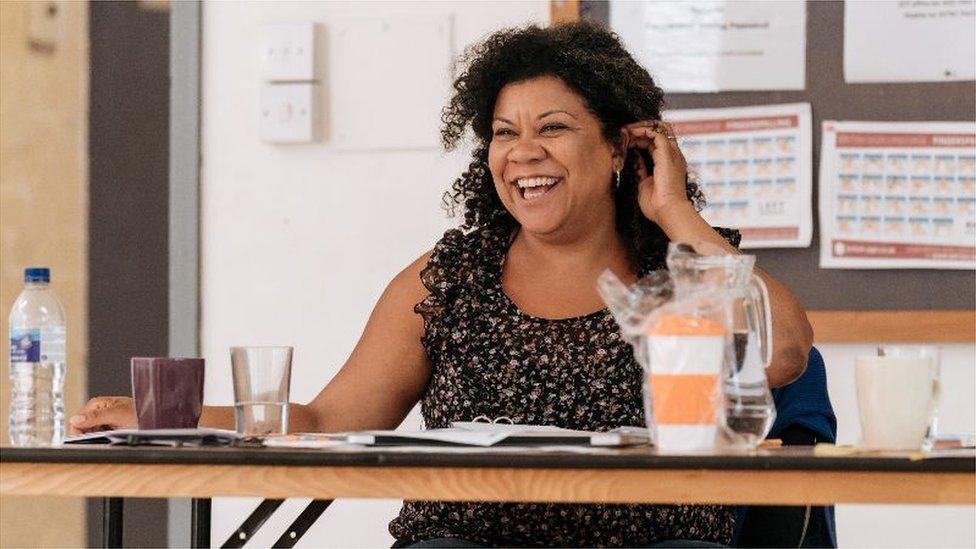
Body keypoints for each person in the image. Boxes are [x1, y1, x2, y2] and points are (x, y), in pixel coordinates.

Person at [70, 22, 812, 548]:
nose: (523, 153)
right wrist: (158, 415)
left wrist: (677, 212)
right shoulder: (449, 277)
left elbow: (785, 357)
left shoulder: (689, 263)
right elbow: (327, 419)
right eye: (503, 131)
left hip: (660, 543)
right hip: (462, 542)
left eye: (552, 128)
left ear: (620, 144)